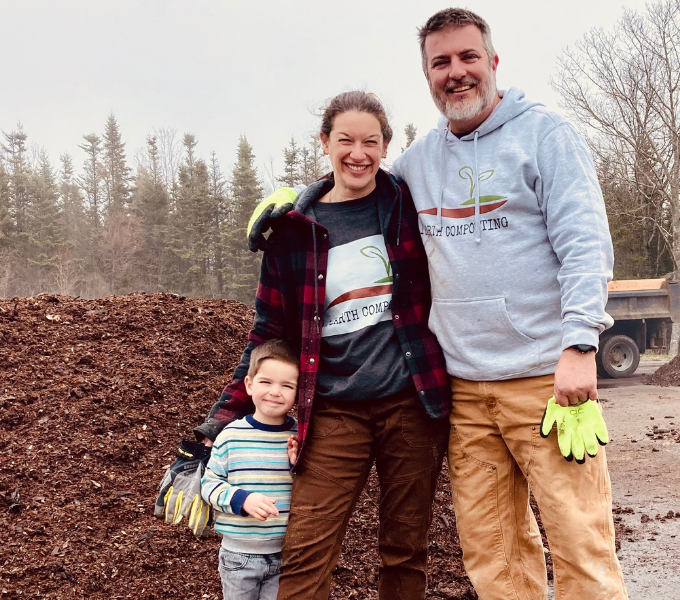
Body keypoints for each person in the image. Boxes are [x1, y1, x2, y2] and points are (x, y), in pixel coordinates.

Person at [247, 9, 628, 600]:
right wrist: (297, 200)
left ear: (493, 62)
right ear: (426, 75)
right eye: (440, 63)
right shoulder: (421, 162)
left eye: (468, 57)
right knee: (493, 550)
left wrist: (580, 344)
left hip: (545, 381)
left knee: (579, 540)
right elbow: (354, 177)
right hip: (464, 391)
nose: (456, 73)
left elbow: (585, 242)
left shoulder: (544, 135)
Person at [199, 91, 451, 600]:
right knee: (307, 546)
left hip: (411, 403)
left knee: (405, 549)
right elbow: (268, 334)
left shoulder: (408, 206)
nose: (358, 153)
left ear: (386, 147)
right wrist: (215, 424)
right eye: (345, 140)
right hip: (334, 411)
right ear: (325, 143)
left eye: (370, 142)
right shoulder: (292, 233)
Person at [201, 340, 300, 600]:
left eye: (287, 386)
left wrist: (297, 464)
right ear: (249, 385)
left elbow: (311, 488)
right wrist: (242, 499)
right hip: (238, 556)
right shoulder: (230, 436)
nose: (275, 392)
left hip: (284, 554)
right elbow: (208, 485)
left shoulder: (298, 436)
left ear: (298, 392)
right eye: (266, 382)